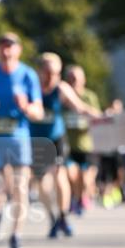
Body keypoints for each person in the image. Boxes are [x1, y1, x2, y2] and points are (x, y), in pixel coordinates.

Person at [0, 32, 43, 248]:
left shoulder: (28, 75)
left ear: (18, 50)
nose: (6, 51)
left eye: (10, 46)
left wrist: (26, 107)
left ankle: (16, 235)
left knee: (20, 185)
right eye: (3, 46)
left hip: (18, 138)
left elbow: (38, 112)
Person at [32, 53, 100, 237]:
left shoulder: (61, 88)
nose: (51, 77)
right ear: (40, 71)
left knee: (60, 175)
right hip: (36, 140)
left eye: (55, 73)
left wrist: (101, 116)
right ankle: (52, 217)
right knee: (41, 183)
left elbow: (80, 107)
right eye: (47, 72)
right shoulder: (31, 86)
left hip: (56, 138)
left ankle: (63, 216)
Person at [64, 65, 102, 213]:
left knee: (86, 179)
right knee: (71, 175)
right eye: (71, 78)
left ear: (83, 80)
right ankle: (76, 198)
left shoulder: (89, 96)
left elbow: (98, 116)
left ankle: (82, 198)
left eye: (77, 78)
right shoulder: (63, 96)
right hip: (69, 145)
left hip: (87, 145)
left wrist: (85, 112)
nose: (74, 81)